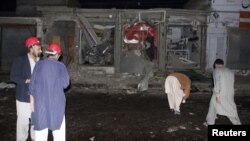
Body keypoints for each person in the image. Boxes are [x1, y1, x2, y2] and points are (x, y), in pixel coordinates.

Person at [29, 43, 70, 141]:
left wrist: (31, 102)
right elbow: (65, 84)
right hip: (56, 105)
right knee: (59, 134)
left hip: (40, 105)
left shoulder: (38, 65)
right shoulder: (61, 66)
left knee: (40, 136)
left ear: (48, 54)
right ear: (57, 54)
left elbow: (32, 85)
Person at [10, 36, 42, 141]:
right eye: (38, 48)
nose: (40, 50)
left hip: (37, 97)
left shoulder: (40, 62)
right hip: (24, 97)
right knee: (23, 123)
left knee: (35, 121)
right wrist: (27, 81)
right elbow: (13, 77)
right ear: (31, 47)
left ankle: (34, 138)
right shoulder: (20, 60)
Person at [205, 59, 241, 125]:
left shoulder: (216, 71)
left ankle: (237, 123)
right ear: (222, 64)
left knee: (229, 110)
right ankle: (210, 122)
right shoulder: (230, 71)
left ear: (215, 64)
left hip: (220, 93)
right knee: (213, 106)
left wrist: (217, 95)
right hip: (230, 93)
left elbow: (217, 83)